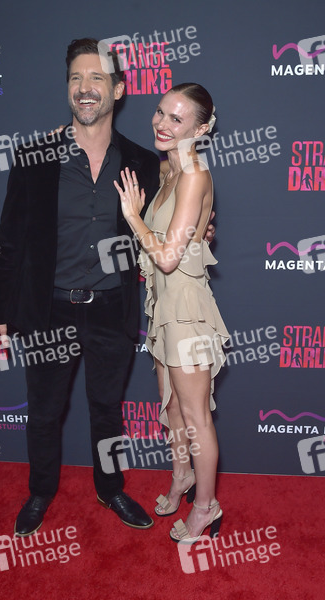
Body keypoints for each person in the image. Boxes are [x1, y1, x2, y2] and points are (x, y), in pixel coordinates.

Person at [0, 38, 161, 535]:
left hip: (111, 308)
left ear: (117, 90)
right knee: (43, 413)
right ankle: (40, 491)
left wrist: (201, 227)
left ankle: (111, 488)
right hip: (49, 310)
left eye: (96, 78)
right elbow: (8, 240)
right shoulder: (35, 156)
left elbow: (170, 221)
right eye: (76, 78)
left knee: (107, 411)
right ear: (68, 88)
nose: (85, 88)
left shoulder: (143, 162)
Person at [114, 83, 229, 543]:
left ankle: (206, 506)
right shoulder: (168, 169)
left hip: (186, 311)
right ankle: (182, 476)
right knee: (173, 406)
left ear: (201, 129)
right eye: (161, 112)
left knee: (196, 415)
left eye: (176, 119)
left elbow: (166, 258)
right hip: (162, 307)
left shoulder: (195, 174)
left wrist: (134, 216)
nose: (162, 123)